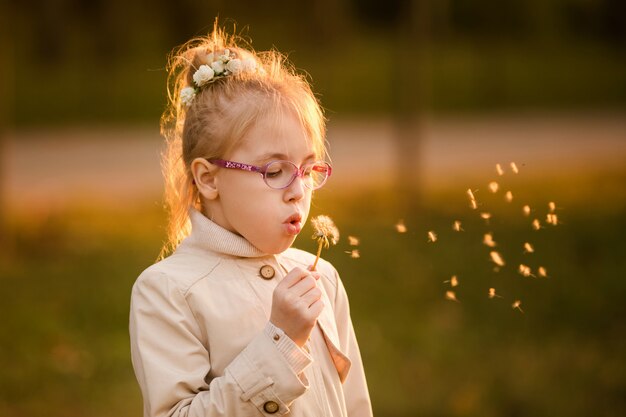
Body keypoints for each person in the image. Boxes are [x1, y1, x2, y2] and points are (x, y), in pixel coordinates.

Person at [129, 24, 372, 417]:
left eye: (308, 170)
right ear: (208, 178)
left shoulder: (321, 278)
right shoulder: (168, 292)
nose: (298, 191)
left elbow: (356, 405)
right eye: (274, 170)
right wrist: (281, 343)